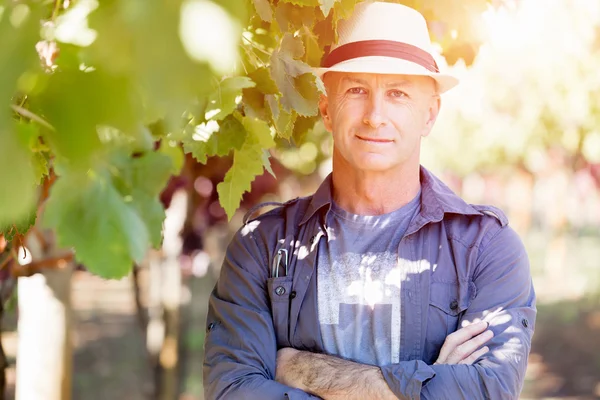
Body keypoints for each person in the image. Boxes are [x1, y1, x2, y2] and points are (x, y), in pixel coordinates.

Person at [203, 2, 536, 399]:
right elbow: (234, 391)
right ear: (326, 109)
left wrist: (301, 370)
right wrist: (426, 384)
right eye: (357, 90)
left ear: (429, 114)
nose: (375, 115)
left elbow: (488, 390)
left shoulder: (485, 248)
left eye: (397, 93)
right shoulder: (263, 244)